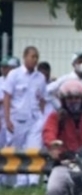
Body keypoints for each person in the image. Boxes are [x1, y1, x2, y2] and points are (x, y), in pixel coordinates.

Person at [3, 47, 47, 187]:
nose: (34, 60)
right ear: (25, 57)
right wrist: (7, 118)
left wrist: (42, 117)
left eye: (36, 57)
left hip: (35, 119)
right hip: (18, 118)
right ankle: (21, 182)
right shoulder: (14, 75)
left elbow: (42, 99)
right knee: (18, 149)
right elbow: (7, 97)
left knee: (33, 148)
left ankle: (33, 181)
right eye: (32, 57)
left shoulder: (40, 77)